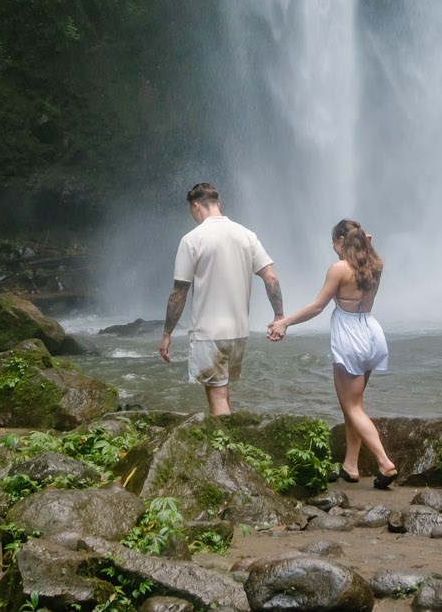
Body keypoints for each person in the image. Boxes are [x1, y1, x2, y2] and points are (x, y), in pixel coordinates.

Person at [267, 219, 399, 487]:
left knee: (351, 407)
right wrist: (362, 241)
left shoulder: (339, 269)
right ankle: (351, 466)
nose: (334, 250)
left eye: (335, 244)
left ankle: (384, 463)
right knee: (355, 407)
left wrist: (284, 322)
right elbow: (367, 250)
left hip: (350, 337)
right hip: (371, 333)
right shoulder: (376, 265)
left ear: (341, 240)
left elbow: (317, 307)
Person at [159, 182, 283, 415]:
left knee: (216, 397)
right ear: (218, 204)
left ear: (196, 206)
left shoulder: (192, 239)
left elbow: (179, 292)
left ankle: (226, 449)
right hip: (239, 332)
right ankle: (233, 442)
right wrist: (279, 316)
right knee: (223, 392)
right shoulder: (247, 235)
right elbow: (271, 277)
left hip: (209, 333)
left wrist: (166, 334)